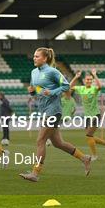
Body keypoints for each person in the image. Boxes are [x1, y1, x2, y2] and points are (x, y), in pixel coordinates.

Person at [19, 48, 91, 182]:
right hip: (43, 110)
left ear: (45, 58)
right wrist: (32, 93)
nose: (34, 58)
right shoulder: (33, 73)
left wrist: (52, 92)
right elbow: (37, 92)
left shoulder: (52, 72)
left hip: (54, 110)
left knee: (40, 140)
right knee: (58, 143)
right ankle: (84, 158)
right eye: (34, 56)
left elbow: (66, 86)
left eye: (37, 56)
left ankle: (35, 173)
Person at [70, 69, 105, 161]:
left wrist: (95, 75)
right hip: (87, 116)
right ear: (84, 81)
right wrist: (76, 77)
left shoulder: (94, 89)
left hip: (95, 115)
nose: (88, 81)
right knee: (89, 136)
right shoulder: (81, 88)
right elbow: (69, 87)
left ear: (92, 81)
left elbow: (100, 86)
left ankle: (94, 155)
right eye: (87, 79)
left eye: (90, 79)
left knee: (89, 135)